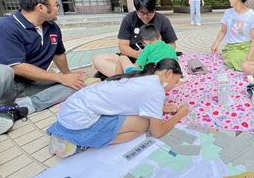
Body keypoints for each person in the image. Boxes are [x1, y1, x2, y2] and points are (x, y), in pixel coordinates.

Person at [0, 0, 83, 136]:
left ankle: (17, 108)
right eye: (56, 5)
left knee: (76, 85)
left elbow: (59, 54)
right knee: (3, 71)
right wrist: (61, 77)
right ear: (41, 7)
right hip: (2, 86)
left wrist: (69, 76)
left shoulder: (52, 27)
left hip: (29, 83)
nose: (57, 9)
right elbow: (17, 67)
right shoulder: (3, 27)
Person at [47, 58, 189, 158]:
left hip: (70, 111)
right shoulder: (156, 90)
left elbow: (133, 99)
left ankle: (77, 138)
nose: (174, 86)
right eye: (176, 81)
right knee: (143, 124)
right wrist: (179, 115)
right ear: (168, 73)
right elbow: (158, 132)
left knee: (140, 118)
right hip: (77, 123)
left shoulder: (142, 74)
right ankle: (81, 143)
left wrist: (161, 108)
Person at [92, 0, 178, 78]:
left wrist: (155, 54)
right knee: (97, 59)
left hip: (155, 61)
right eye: (141, 13)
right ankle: (136, 75)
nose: (145, 16)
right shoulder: (129, 19)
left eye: (149, 13)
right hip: (132, 57)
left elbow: (172, 44)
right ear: (136, 9)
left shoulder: (163, 20)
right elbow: (123, 45)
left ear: (154, 9)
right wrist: (137, 54)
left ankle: (129, 76)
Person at [211, 0, 254, 71]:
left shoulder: (252, 15)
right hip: (233, 48)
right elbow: (223, 31)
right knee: (238, 59)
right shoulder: (227, 13)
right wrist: (216, 43)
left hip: (248, 46)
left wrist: (249, 57)